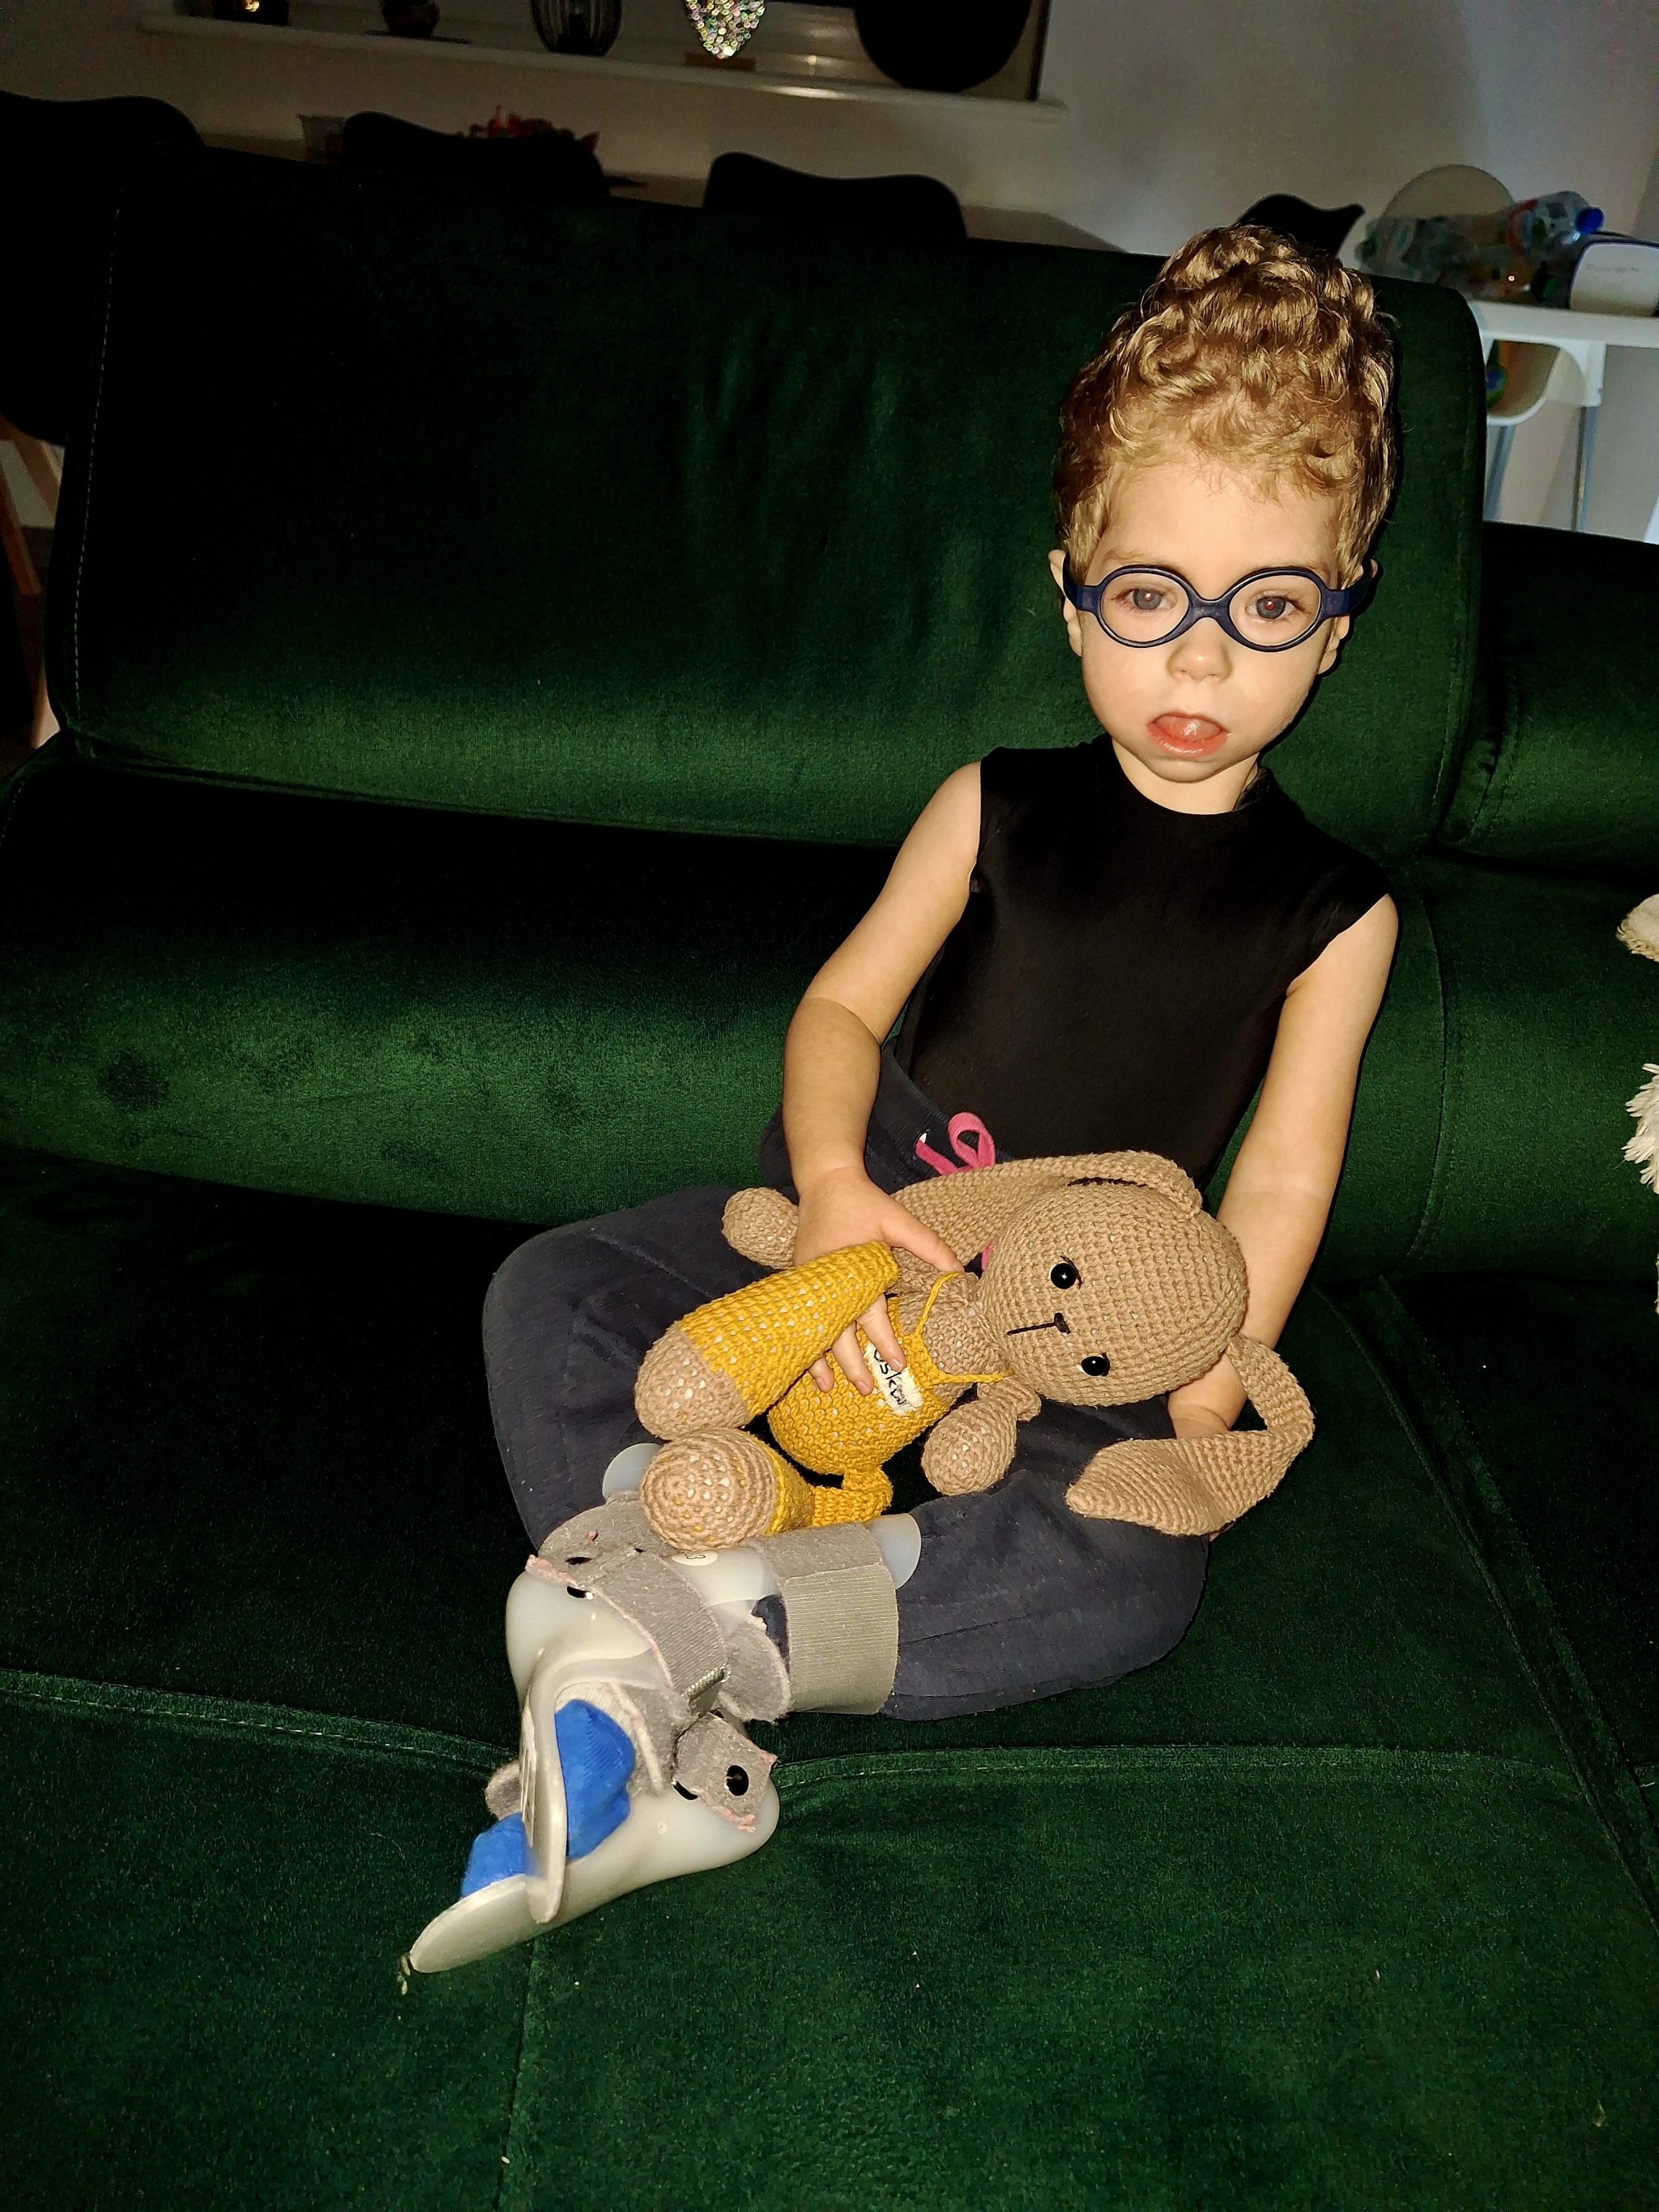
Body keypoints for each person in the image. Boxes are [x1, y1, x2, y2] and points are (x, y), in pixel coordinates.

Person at [412, 226, 1401, 1969]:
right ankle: (661, 1575)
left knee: (1139, 1577)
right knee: (546, 1290)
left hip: (1075, 1326)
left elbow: (1281, 1182)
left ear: (1336, 624)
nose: (1198, 664)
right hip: (860, 1228)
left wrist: (1209, 1364)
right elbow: (841, 1006)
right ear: (1070, 590)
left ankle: (691, 1635)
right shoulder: (989, 803)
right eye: (1149, 596)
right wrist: (829, 1184)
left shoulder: (1336, 913)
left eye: (1267, 607)